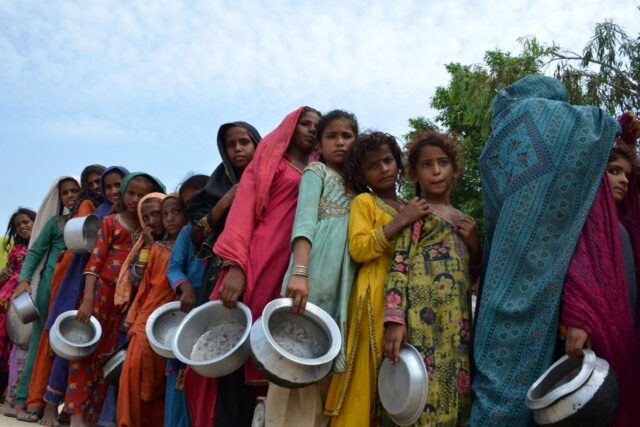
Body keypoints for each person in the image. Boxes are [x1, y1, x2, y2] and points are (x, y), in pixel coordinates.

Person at [470, 75, 622, 426]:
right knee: (537, 391)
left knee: (493, 380)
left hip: (499, 279)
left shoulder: (498, 137)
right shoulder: (560, 119)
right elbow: (601, 125)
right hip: (543, 284)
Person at [212, 107, 321, 423]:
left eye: (317, 125)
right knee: (248, 345)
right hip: (261, 257)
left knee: (284, 346)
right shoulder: (271, 161)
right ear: (290, 125)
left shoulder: (320, 168)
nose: (311, 130)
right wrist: (236, 266)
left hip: (297, 262)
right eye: (305, 123)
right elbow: (243, 210)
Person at [325, 132, 426, 425]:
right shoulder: (364, 202)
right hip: (373, 297)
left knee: (401, 375)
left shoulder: (411, 204)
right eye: (373, 165)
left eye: (387, 161)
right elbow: (358, 248)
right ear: (361, 173)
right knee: (365, 376)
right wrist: (401, 220)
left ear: (398, 163)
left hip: (407, 300)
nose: (383, 169)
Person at [265, 110, 358, 426]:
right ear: (319, 143)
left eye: (347, 136)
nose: (341, 142)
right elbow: (304, 223)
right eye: (332, 136)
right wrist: (300, 272)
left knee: (325, 361)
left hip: (345, 282)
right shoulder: (315, 172)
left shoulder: (360, 188)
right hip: (313, 273)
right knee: (296, 356)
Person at [383, 131, 480, 426]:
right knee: (420, 396)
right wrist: (394, 321)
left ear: (455, 169)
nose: (436, 171)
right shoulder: (416, 215)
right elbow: (398, 265)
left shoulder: (465, 222)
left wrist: (475, 245)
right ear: (414, 173)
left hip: (457, 328)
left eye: (443, 163)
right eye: (427, 165)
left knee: (455, 396)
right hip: (420, 324)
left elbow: (474, 277)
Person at [65, 172, 164, 427]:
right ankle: (75, 416)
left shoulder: (150, 231)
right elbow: (94, 263)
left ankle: (93, 416)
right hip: (99, 296)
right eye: (130, 193)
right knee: (85, 353)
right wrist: (87, 299)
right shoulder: (111, 223)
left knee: (109, 359)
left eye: (142, 195)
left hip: (127, 305)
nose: (135, 199)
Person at [181, 122, 261, 427]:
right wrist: (231, 198)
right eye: (231, 144)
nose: (238, 149)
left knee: (256, 361)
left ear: (258, 145)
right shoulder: (215, 187)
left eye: (245, 142)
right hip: (221, 281)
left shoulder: (273, 179)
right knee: (224, 358)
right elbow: (197, 234)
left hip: (260, 275)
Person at [561, 126, 640, 425]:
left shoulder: (621, 224)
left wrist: (629, 141)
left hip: (625, 324)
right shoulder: (589, 217)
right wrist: (579, 319)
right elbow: (579, 268)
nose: (622, 180)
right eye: (614, 171)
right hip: (596, 328)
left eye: (627, 175)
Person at [40, 167, 128, 427]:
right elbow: (89, 258)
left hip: (120, 302)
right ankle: (51, 407)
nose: (113, 192)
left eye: (118, 186)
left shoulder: (141, 217)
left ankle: (88, 414)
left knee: (107, 357)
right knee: (75, 349)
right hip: (89, 292)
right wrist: (87, 296)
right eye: (107, 187)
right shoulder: (100, 217)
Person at [24, 165, 106, 425]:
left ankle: (72, 410)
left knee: (86, 348)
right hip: (65, 286)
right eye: (89, 184)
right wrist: (24, 280)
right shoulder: (66, 219)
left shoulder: (112, 213)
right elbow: (36, 252)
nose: (94, 188)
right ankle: (37, 401)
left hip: (98, 288)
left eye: (99, 182)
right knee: (53, 344)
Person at [11, 177, 81, 422]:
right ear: (59, 198)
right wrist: (24, 280)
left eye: (75, 191)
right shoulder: (55, 224)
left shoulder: (93, 223)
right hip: (49, 293)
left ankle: (65, 407)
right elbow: (35, 253)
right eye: (65, 193)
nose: (70, 196)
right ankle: (26, 399)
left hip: (79, 293)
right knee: (40, 345)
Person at [117, 195, 185, 427]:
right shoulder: (155, 247)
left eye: (158, 214)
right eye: (145, 217)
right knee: (133, 370)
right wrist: (132, 317)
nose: (159, 220)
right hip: (146, 318)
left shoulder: (190, 245)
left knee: (162, 379)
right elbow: (141, 282)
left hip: (174, 319)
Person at [0, 209, 36, 403]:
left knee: (19, 343)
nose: (22, 226)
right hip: (6, 300)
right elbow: (9, 271)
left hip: (24, 301)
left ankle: (12, 390)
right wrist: (2, 274)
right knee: (2, 341)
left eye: (26, 222)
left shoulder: (41, 246)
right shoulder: (16, 249)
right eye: (18, 225)